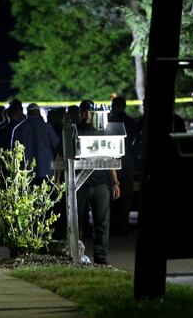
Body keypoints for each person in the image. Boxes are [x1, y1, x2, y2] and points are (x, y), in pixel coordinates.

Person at [76, 100, 121, 265]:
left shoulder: (103, 131)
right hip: (78, 184)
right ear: (80, 113)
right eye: (84, 111)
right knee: (77, 223)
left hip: (101, 183)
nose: (86, 114)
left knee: (101, 222)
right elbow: (62, 154)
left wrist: (115, 182)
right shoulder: (75, 130)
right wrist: (59, 181)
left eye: (89, 111)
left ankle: (101, 258)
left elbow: (110, 157)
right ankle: (76, 256)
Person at [108, 97, 138, 236]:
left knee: (111, 189)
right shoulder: (131, 122)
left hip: (112, 157)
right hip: (128, 158)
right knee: (126, 192)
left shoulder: (109, 121)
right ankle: (123, 223)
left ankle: (111, 222)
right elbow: (136, 140)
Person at [12, 103, 60, 182]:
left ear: (27, 113)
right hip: (46, 171)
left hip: (26, 172)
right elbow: (57, 145)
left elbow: (14, 151)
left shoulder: (19, 128)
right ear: (39, 112)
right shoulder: (47, 127)